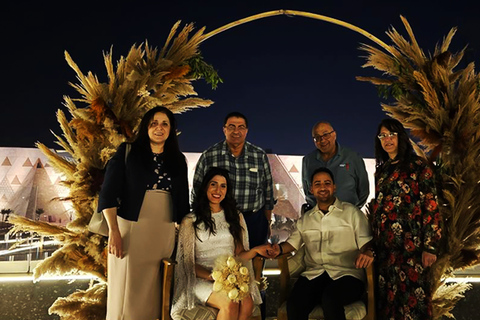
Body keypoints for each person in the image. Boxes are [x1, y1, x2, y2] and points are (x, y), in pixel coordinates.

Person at [97, 106, 190, 320]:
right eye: (154, 123)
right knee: (128, 290)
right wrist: (114, 231)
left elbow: (183, 203)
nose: (159, 128)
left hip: (164, 231)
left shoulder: (178, 160)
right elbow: (108, 194)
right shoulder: (128, 152)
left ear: (171, 129)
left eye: (165, 123)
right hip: (130, 230)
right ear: (146, 127)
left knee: (155, 291)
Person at [268, 167, 374, 320]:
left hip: (347, 275)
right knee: (295, 304)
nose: (322, 187)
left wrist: (368, 252)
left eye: (327, 183)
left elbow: (366, 243)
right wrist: (276, 249)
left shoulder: (351, 213)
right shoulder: (306, 218)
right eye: (317, 184)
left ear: (334, 187)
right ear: (311, 189)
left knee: (330, 299)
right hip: (314, 275)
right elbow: (291, 244)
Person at [171, 167, 270, 320]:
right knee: (230, 302)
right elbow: (187, 263)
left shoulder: (235, 217)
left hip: (230, 278)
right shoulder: (190, 221)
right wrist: (212, 276)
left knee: (247, 302)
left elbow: (240, 254)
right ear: (205, 187)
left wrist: (257, 250)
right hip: (201, 279)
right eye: (213, 184)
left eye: (223, 186)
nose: (218, 190)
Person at [372, 118, 442, 319]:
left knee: (413, 304)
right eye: (383, 136)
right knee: (389, 305)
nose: (387, 139)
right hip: (386, 250)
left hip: (413, 248)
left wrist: (430, 247)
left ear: (400, 136)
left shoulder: (418, 166)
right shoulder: (382, 171)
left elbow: (431, 205)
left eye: (391, 134)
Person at [193, 111, 274, 248]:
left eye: (241, 127)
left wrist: (267, 222)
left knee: (255, 260)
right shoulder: (210, 156)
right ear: (224, 129)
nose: (236, 131)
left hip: (253, 220)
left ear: (246, 131)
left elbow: (268, 191)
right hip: (220, 220)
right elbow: (197, 190)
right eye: (231, 127)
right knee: (223, 263)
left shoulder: (259, 156)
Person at [302, 121, 369, 210]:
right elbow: (308, 191)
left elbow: (363, 190)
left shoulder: (353, 158)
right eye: (317, 137)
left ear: (334, 135)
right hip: (318, 219)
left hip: (347, 218)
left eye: (326, 135)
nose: (322, 140)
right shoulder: (308, 160)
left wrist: (352, 212)